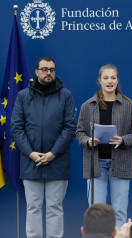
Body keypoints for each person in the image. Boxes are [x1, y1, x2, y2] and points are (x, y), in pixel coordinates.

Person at [11, 57, 78, 238]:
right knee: (33, 207)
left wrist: (53, 153)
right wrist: (31, 153)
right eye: (45, 69)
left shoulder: (66, 95)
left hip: (57, 161)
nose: (49, 73)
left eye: (52, 69)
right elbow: (16, 127)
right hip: (30, 162)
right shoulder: (23, 96)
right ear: (37, 71)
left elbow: (70, 127)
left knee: (54, 207)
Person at [76, 64, 132, 228]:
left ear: (117, 80)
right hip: (95, 164)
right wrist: (87, 140)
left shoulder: (128, 105)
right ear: (99, 80)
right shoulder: (88, 106)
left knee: (119, 212)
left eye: (113, 78)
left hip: (120, 164)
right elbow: (79, 132)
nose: (109, 81)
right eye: (106, 78)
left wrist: (123, 140)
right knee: (96, 212)